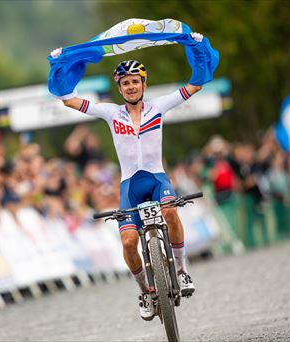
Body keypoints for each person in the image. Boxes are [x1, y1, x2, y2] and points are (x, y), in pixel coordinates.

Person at [51, 32, 204, 320]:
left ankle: (182, 271)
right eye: (125, 83)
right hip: (130, 186)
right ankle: (146, 291)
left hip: (157, 180)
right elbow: (69, 101)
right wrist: (60, 63)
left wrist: (194, 43)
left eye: (135, 81)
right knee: (129, 242)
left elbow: (194, 85)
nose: (131, 86)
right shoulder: (111, 113)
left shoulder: (159, 107)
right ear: (119, 88)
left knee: (170, 212)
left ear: (144, 85)